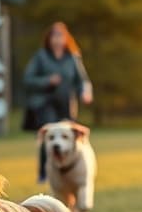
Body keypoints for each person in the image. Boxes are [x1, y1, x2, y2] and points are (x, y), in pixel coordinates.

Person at [23, 22, 93, 183]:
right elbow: (28, 79)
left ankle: (71, 170)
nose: (57, 39)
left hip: (66, 103)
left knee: (68, 137)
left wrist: (85, 92)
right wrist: (47, 80)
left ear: (66, 38)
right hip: (46, 103)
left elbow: (82, 80)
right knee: (50, 135)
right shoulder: (41, 57)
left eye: (60, 36)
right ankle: (44, 173)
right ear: (49, 39)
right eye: (54, 36)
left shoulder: (72, 57)